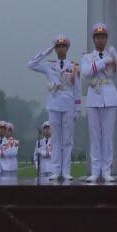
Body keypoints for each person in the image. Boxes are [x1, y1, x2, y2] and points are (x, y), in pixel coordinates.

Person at [27, 35, 81, 183]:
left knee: (67, 140)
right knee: (56, 140)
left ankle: (66, 170)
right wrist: (46, 51)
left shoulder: (74, 66)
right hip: (54, 104)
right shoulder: (50, 64)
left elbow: (77, 89)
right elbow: (31, 64)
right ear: (55, 49)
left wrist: (77, 108)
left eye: (63, 46)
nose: (60, 49)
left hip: (69, 104)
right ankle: (56, 170)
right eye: (58, 47)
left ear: (67, 48)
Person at [80, 24, 117, 183]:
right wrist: (103, 61)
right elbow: (85, 72)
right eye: (98, 37)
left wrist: (116, 59)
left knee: (107, 137)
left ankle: (106, 170)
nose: (100, 40)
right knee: (95, 136)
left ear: (106, 39)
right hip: (94, 96)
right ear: (93, 39)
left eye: (103, 37)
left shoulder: (111, 54)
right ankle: (95, 170)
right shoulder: (87, 57)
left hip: (109, 96)